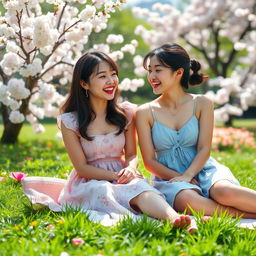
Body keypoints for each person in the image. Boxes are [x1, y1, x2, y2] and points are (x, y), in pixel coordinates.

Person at [22, 51, 192, 228]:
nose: (111, 81)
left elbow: (132, 154)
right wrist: (114, 177)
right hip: (88, 182)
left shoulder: (126, 113)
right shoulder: (70, 121)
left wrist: (130, 169)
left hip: (122, 175)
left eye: (113, 74)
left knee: (140, 188)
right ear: (84, 83)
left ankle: (174, 218)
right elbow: (81, 167)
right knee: (103, 190)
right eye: (103, 76)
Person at [136, 43, 256, 219]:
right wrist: (181, 177)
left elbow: (204, 148)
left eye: (157, 70)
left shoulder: (202, 103)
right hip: (168, 178)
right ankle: (247, 215)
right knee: (189, 201)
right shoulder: (144, 112)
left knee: (224, 192)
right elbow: (149, 162)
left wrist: (189, 174)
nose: (152, 76)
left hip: (204, 168)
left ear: (178, 73)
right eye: (149, 71)